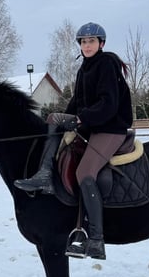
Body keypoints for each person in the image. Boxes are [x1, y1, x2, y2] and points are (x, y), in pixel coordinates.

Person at [14, 22, 133, 260]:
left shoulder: (106, 64)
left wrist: (81, 119)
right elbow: (76, 102)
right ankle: (45, 174)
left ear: (101, 43)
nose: (87, 45)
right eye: (83, 42)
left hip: (110, 128)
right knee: (53, 118)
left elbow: (108, 104)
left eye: (91, 41)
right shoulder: (84, 68)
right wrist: (64, 119)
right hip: (92, 126)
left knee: (85, 172)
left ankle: (96, 238)